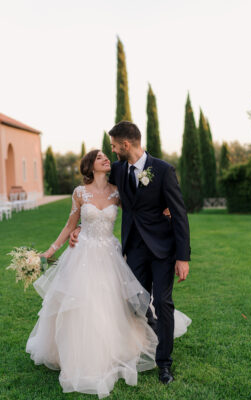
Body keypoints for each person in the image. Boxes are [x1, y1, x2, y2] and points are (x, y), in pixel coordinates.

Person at [26, 149, 191, 399]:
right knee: (83, 305)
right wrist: (51, 250)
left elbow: (140, 209)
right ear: (90, 166)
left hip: (110, 253)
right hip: (83, 255)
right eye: (101, 157)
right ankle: (82, 355)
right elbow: (70, 224)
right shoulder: (79, 193)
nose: (107, 159)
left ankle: (121, 349)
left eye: (107, 155)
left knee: (115, 304)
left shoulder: (118, 191)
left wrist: (166, 208)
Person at [70, 121, 191, 385]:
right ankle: (142, 344)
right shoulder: (116, 170)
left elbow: (179, 214)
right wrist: (81, 226)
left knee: (162, 303)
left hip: (162, 250)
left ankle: (164, 364)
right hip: (133, 250)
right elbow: (97, 194)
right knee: (134, 303)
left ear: (126, 145)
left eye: (114, 146)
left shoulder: (162, 170)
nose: (112, 151)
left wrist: (183, 257)